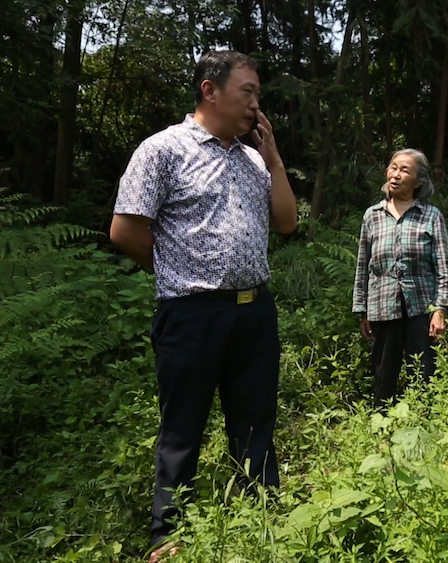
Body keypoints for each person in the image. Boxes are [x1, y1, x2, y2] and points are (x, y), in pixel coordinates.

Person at [108, 50, 297, 562]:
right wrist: (175, 271)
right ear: (210, 90)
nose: (256, 104)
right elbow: (125, 230)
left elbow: (286, 223)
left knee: (256, 423)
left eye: (258, 94)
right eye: (248, 92)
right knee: (182, 428)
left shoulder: (254, 159)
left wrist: (275, 159)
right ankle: (168, 535)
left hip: (255, 312)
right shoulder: (162, 150)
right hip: (191, 313)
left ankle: (261, 522)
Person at [352, 149, 448, 405]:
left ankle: (424, 423)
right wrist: (362, 310)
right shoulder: (372, 216)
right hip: (382, 308)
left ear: (418, 181)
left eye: (405, 170)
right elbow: (363, 265)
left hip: (421, 310)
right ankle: (382, 424)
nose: (396, 175)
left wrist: (440, 310)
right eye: (393, 167)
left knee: (424, 375)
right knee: (383, 376)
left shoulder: (431, 216)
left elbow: (443, 267)